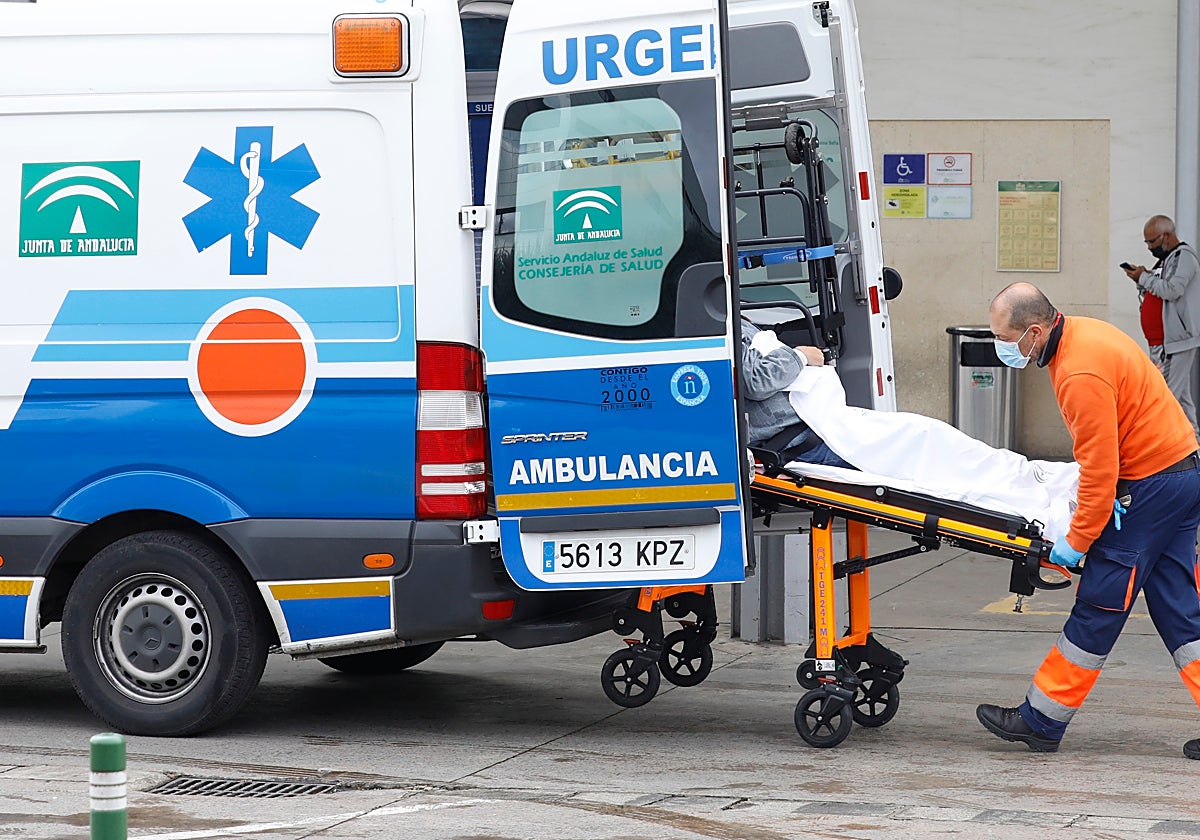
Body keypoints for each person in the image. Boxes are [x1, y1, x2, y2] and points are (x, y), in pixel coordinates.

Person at [977, 282, 1200, 758]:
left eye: (1004, 338)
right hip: (1181, 474)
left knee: (1102, 602)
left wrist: (1076, 542)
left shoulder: (1078, 372)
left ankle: (1041, 720)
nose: (1001, 347)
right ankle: (1042, 719)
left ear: (1034, 332)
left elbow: (1099, 470)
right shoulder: (1087, 333)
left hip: (1151, 487)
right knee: (1181, 608)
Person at [739, 318, 853, 469]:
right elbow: (757, 382)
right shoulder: (721, 326)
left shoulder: (732, 321)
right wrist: (801, 355)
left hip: (815, 420)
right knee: (873, 453)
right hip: (794, 436)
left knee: (880, 437)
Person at [1123, 214, 1200, 437]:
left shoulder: (1183, 257)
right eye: (1146, 242)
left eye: (1152, 241)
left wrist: (1143, 278)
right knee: (1181, 400)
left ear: (1166, 236)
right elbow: (1159, 289)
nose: (1149, 247)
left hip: (1173, 342)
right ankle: (1194, 446)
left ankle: (1165, 449)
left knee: (1162, 398)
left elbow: (1173, 290)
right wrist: (1143, 277)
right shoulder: (1167, 259)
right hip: (1163, 342)